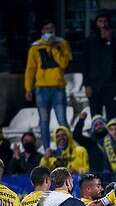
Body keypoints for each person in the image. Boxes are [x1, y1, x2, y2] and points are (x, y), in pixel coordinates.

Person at [24, 19, 72, 150]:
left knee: (62, 120)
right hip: (41, 90)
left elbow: (64, 64)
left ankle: (68, 149)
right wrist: (28, 88)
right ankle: (47, 150)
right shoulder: (35, 47)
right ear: (42, 31)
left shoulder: (62, 44)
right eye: (46, 29)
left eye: (51, 28)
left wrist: (54, 49)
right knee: (44, 121)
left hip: (58, 88)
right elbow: (30, 69)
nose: (49, 31)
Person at [82, 22, 116, 119]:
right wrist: (87, 85)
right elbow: (85, 65)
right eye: (101, 27)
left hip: (111, 86)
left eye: (105, 28)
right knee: (96, 118)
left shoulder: (113, 42)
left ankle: (113, 134)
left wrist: (109, 40)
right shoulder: (90, 42)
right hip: (94, 86)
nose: (103, 31)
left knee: (112, 116)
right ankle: (98, 134)